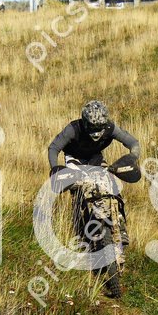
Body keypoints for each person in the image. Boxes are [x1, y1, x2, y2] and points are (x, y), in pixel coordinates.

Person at [48, 100, 141, 245]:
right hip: (74, 158)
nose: (96, 132)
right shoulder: (73, 129)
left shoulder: (110, 128)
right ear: (85, 122)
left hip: (95, 158)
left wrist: (131, 158)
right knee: (77, 188)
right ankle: (79, 228)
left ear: (105, 123)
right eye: (92, 127)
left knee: (112, 185)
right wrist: (56, 170)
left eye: (100, 127)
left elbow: (133, 143)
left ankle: (120, 223)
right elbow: (54, 148)